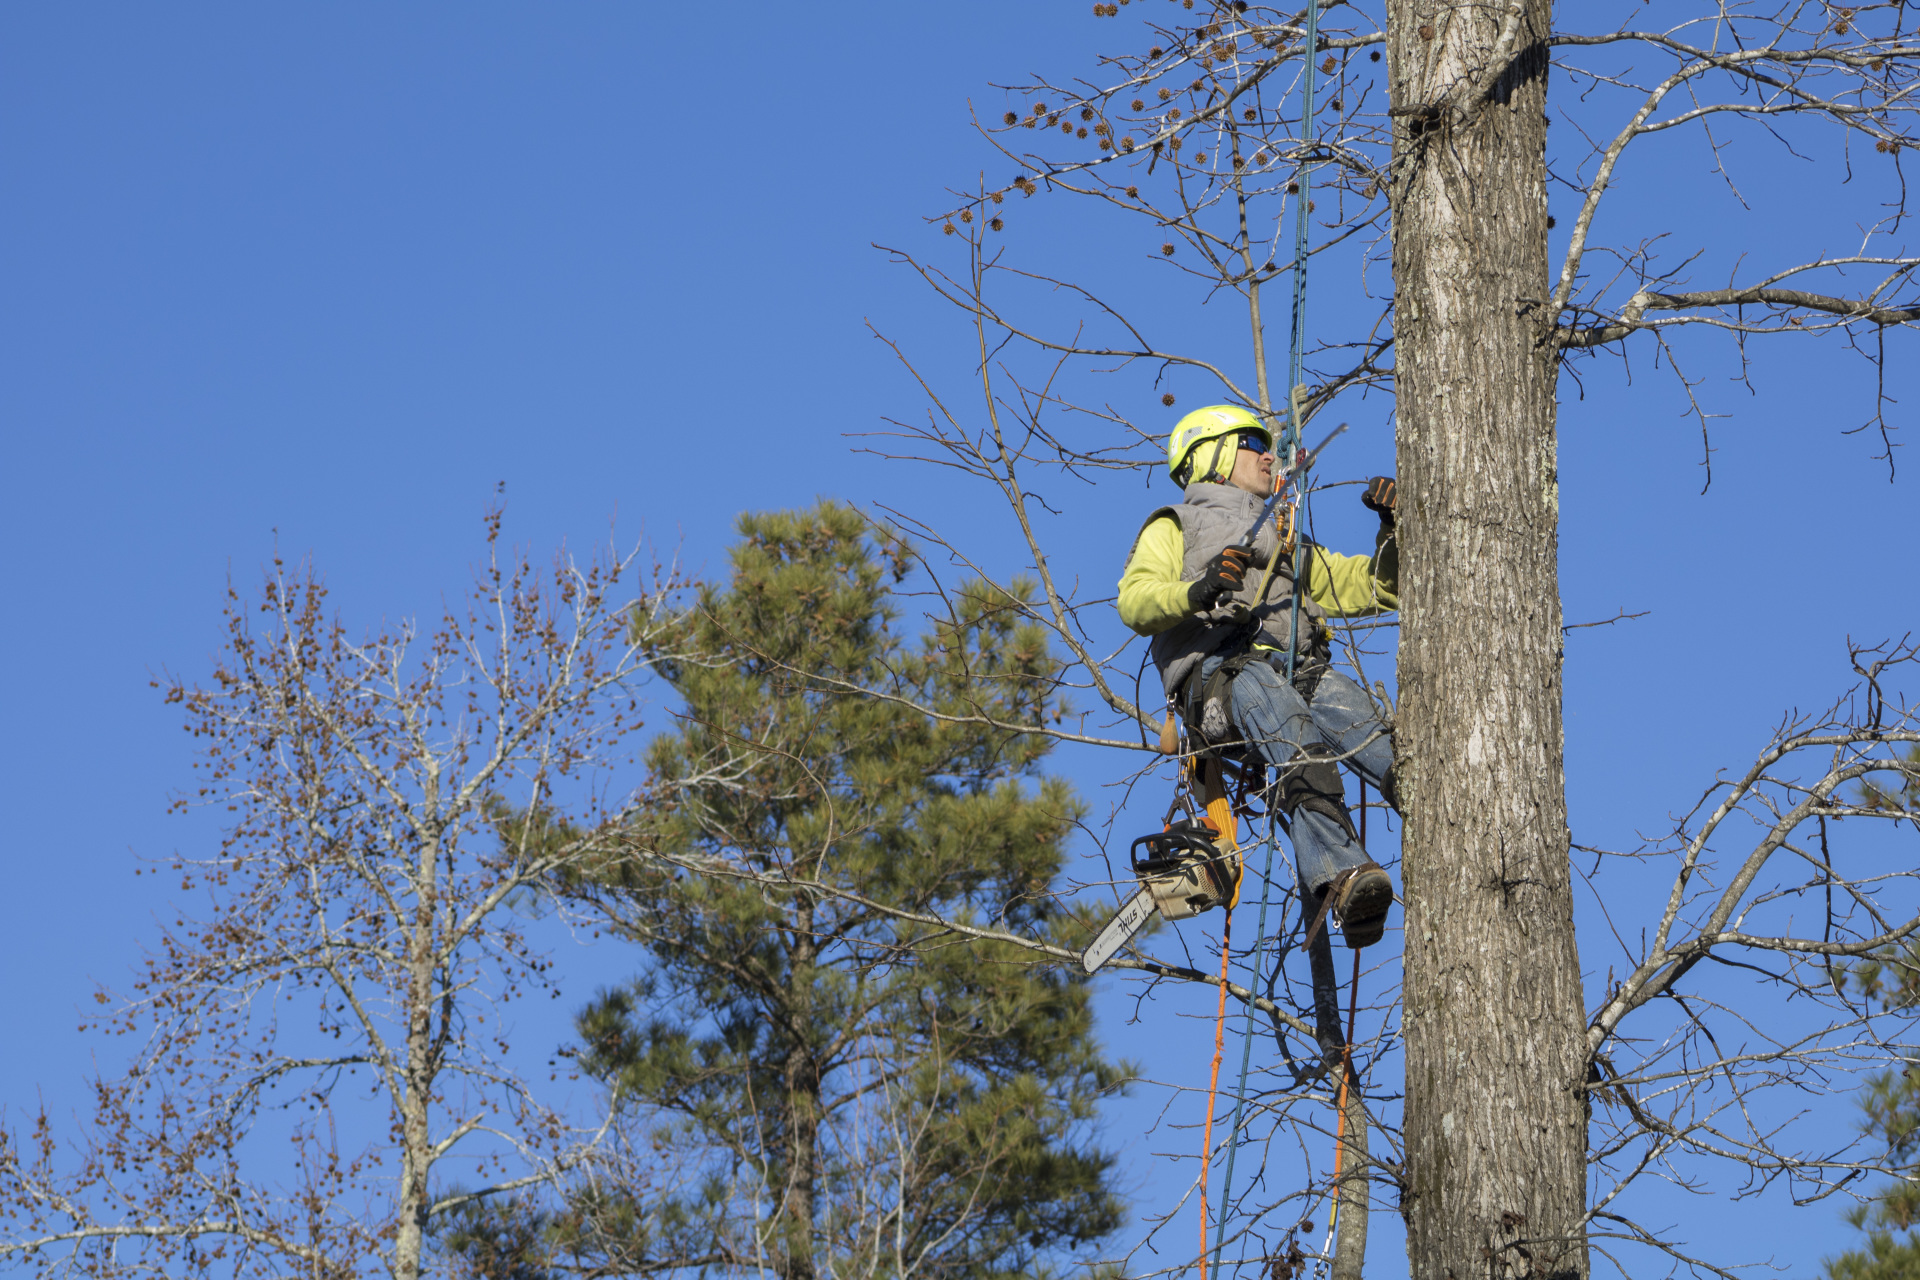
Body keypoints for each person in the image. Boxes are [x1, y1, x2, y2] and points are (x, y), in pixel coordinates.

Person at [1118, 403, 1401, 946]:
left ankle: (1422, 792)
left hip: (1294, 675)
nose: (1268, 454)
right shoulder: (1177, 524)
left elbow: (1374, 586)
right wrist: (1196, 592)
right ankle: (1343, 874)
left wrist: (1392, 532)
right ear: (1213, 456)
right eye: (1252, 442)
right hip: (1220, 685)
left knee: (1353, 712)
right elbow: (1134, 601)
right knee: (1274, 705)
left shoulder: (1284, 536)